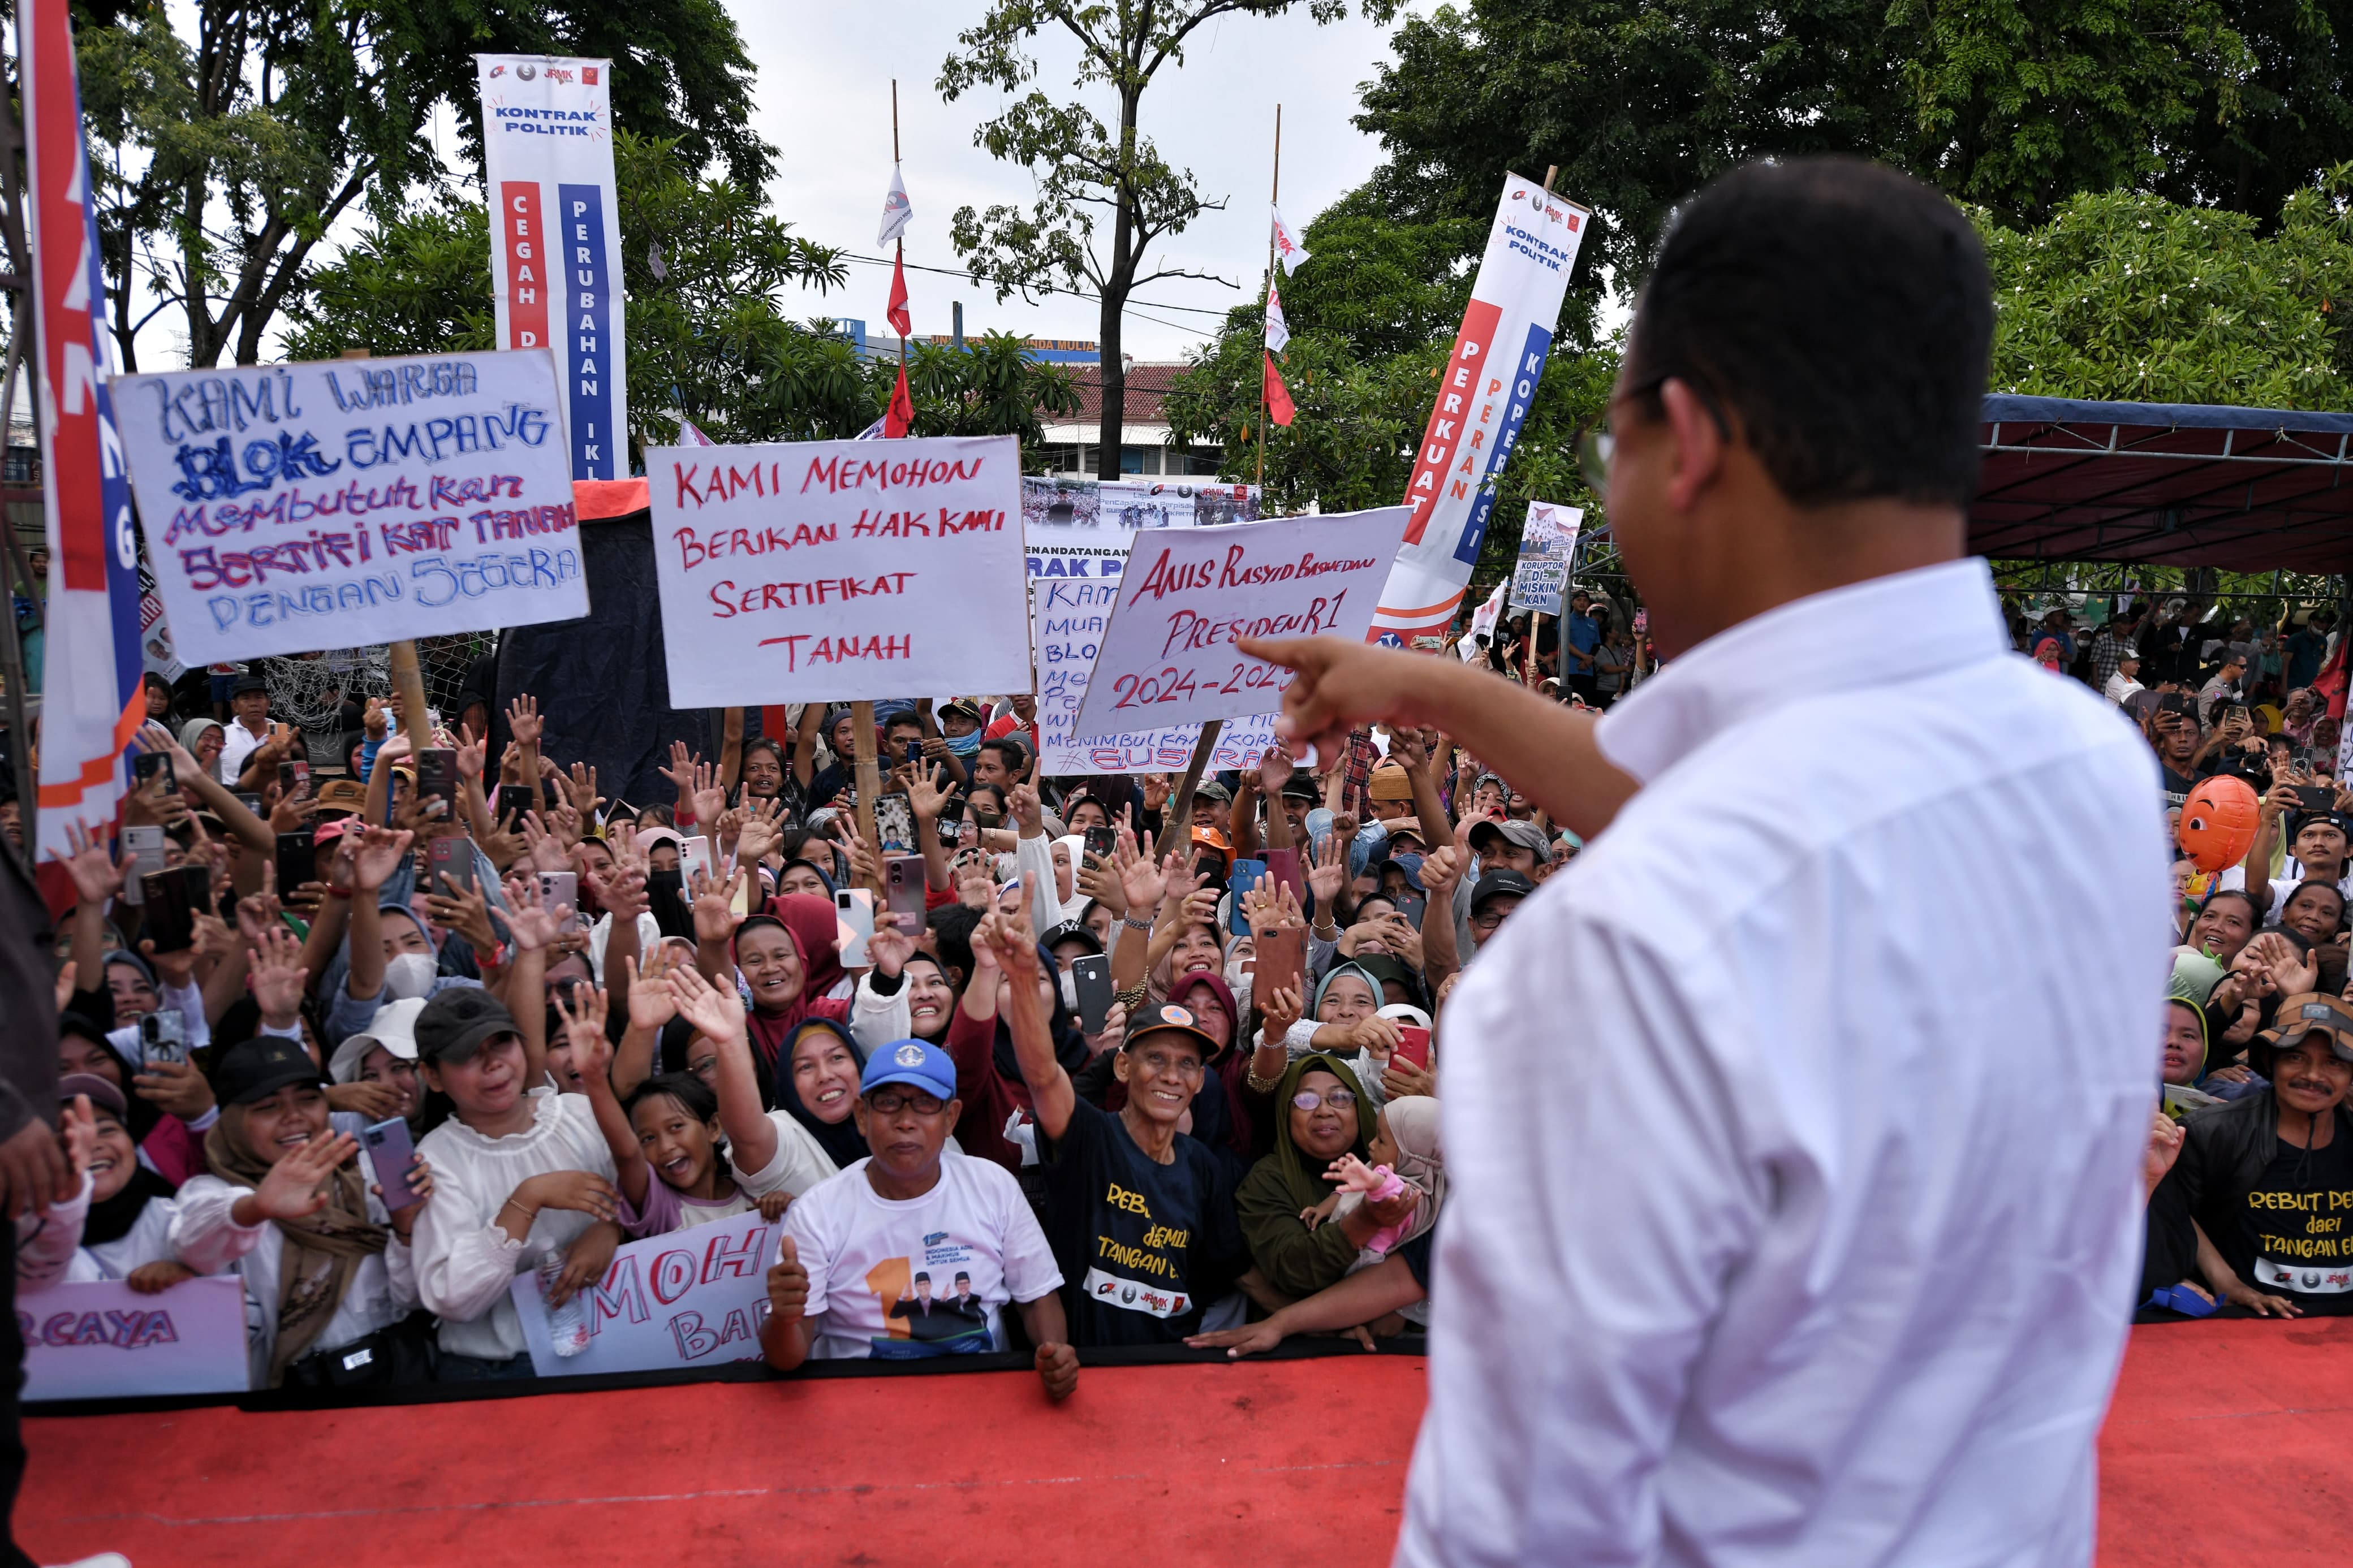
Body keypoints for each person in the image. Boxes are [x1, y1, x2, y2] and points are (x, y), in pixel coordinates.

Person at [1238, 157, 2167, 1567]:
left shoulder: (1615, 954)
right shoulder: (2093, 772)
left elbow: (1522, 1531)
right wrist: (1430, 691)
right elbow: (1737, 800)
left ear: (1683, 439)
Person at [984, 878, 1242, 1345]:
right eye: (1155, 1059)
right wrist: (1024, 981)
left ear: (1201, 1081)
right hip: (1090, 1376)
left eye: (1187, 1063)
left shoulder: (1202, 1166)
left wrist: (1290, 1320)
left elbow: (1224, 1268)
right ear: (1122, 1066)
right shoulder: (1088, 1137)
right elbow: (1043, 1074)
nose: (1171, 1075)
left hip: (1169, 1379)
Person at [760, 1036, 1076, 1398]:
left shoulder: (993, 1186)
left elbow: (1037, 1297)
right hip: (856, 1401)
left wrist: (1053, 1353)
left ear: (951, 1118)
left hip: (980, 1397)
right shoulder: (817, 1212)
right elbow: (786, 1358)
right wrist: (784, 1320)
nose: (906, 1121)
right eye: (889, 1103)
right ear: (863, 1116)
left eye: (925, 1103)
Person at [171, 1036, 435, 1388]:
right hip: (297, 1403)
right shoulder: (217, 1195)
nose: (293, 1117)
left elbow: (415, 1299)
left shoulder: (365, 1179)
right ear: (233, 1121)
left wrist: (405, 1230)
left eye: (309, 1100)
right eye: (267, 1107)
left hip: (396, 1378)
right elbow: (192, 1245)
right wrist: (258, 1207)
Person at [409, 988, 623, 1381]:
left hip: (610, 1343)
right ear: (431, 1075)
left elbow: (645, 1195)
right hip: (496, 1369)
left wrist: (613, 1228)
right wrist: (527, 1198)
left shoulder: (580, 1113)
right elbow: (452, 1296)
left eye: (502, 1042)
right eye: (467, 1054)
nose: (493, 1064)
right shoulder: (435, 1161)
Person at [2153, 992, 2353, 1315]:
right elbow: (2173, 1209)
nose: (2314, 1076)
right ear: (2270, 1062)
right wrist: (2227, 1283)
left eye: (2333, 1062)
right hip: (2245, 1324)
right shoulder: (2210, 1132)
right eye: (2296, 1057)